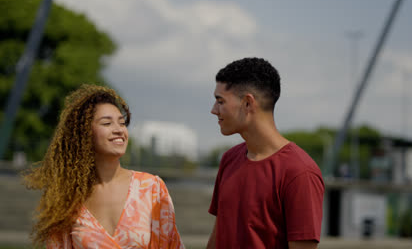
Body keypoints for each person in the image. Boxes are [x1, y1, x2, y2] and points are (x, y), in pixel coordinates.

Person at [23, 84, 184, 249]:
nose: (118, 130)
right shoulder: (67, 198)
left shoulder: (151, 188)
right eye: (107, 123)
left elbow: (171, 244)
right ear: (85, 133)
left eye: (122, 123)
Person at [206, 57, 324, 249]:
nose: (213, 110)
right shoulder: (229, 159)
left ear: (247, 103)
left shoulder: (300, 172)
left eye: (220, 101)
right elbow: (218, 235)